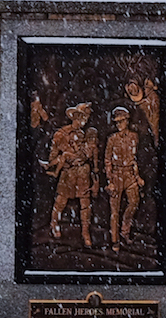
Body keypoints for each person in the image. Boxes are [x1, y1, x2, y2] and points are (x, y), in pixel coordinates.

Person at [47, 103, 99, 246]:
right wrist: (68, 160)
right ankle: (54, 224)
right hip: (68, 173)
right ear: (76, 117)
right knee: (60, 202)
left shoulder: (86, 135)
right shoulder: (60, 134)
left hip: (83, 173)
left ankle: (85, 232)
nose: (86, 121)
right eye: (84, 117)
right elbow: (52, 158)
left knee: (85, 205)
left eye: (87, 118)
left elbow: (92, 157)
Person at [105, 107, 143, 246]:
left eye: (121, 122)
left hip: (129, 174)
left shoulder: (134, 137)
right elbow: (107, 161)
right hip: (116, 174)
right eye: (117, 122)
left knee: (134, 202)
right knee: (114, 210)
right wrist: (110, 181)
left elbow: (134, 159)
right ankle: (115, 240)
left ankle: (125, 231)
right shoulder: (112, 139)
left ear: (127, 121)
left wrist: (137, 176)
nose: (119, 125)